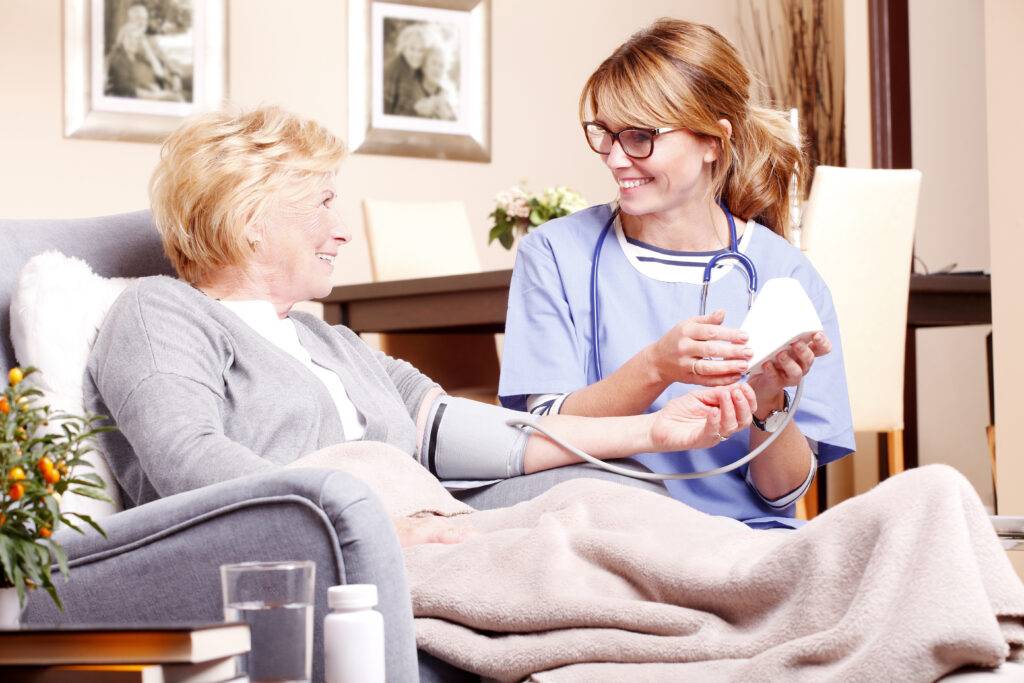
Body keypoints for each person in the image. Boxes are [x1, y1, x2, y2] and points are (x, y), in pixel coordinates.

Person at [84, 104, 760, 547]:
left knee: (624, 488)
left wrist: (650, 431)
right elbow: (190, 462)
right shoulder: (159, 314)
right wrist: (372, 526)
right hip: (333, 544)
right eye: (323, 201)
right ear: (251, 218)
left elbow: (461, 430)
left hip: (423, 519)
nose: (344, 229)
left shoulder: (329, 339)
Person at [498, 18, 855, 529]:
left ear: (714, 141)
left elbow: (782, 496)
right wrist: (656, 367)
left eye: (641, 137)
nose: (617, 158)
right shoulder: (554, 254)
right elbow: (544, 437)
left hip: (744, 544)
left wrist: (769, 402)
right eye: (606, 133)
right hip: (605, 536)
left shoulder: (788, 276)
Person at [105, 3, 184, 101]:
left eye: (145, 19)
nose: (143, 22)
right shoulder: (126, 43)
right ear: (129, 21)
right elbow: (120, 80)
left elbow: (165, 60)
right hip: (141, 95)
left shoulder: (151, 41)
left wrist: (176, 74)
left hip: (159, 87)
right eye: (138, 18)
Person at [382, 23, 431, 117]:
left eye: (421, 50)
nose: (417, 55)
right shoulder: (393, 71)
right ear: (403, 48)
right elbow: (384, 111)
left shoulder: (416, 71)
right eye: (412, 49)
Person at [413, 45, 458, 121]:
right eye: (434, 63)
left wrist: (446, 116)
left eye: (441, 66)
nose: (437, 69)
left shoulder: (448, 97)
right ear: (424, 66)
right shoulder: (411, 91)